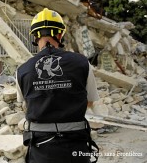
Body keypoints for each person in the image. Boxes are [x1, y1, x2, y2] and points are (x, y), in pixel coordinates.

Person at [16, 8, 100, 163]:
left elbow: (27, 103)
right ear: (60, 34)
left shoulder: (22, 70)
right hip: (75, 147)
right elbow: (89, 102)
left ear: (35, 36)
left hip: (41, 149)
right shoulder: (82, 63)